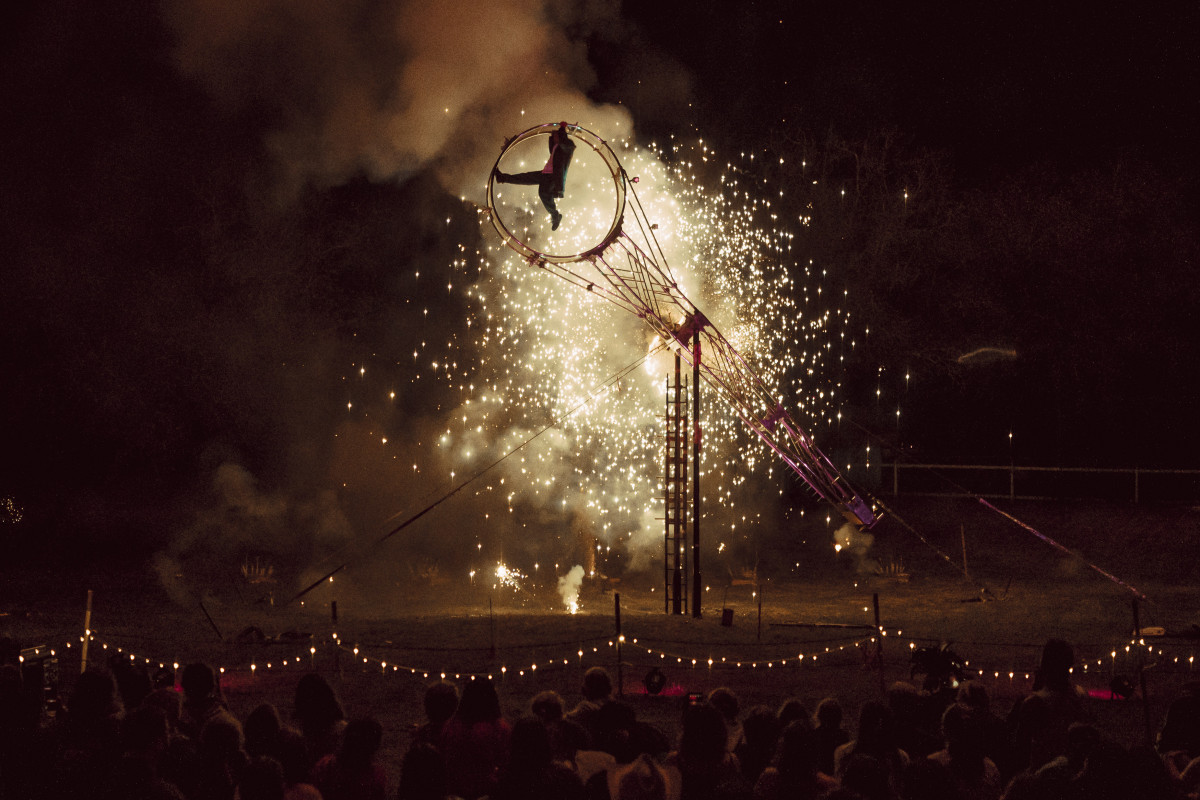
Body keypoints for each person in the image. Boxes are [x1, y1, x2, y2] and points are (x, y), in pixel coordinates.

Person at [494, 122, 577, 231]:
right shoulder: (556, 146)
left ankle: (555, 215)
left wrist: (562, 128)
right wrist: (558, 133)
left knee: (543, 193)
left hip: (553, 176)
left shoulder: (567, 148)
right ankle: (502, 178)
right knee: (525, 177)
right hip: (546, 173)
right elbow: (554, 142)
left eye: (556, 136)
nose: (554, 137)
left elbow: (565, 142)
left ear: (561, 137)